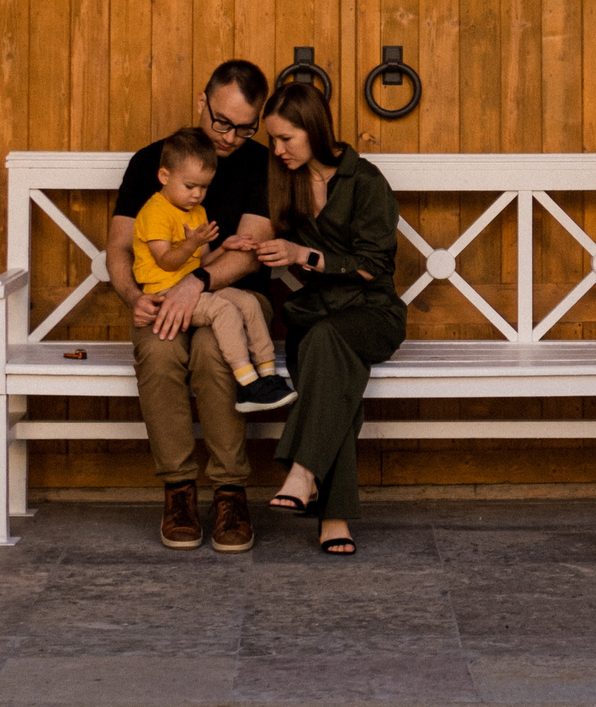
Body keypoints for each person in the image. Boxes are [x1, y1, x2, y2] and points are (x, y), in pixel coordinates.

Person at [107, 60, 278, 553]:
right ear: (201, 101)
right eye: (221, 122)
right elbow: (119, 247)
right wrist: (134, 298)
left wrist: (197, 283)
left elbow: (248, 255)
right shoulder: (153, 162)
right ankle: (179, 490)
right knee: (160, 352)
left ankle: (230, 491)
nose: (229, 138)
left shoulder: (262, 164)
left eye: (245, 128)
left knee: (212, 348)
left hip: (239, 301)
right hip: (161, 297)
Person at [254, 83, 405, 555]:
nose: (277, 150)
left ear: (315, 129)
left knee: (329, 348)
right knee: (330, 359)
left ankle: (304, 471)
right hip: (316, 315)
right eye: (273, 140)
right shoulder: (285, 177)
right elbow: (267, 231)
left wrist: (306, 254)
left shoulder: (364, 180)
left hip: (372, 314)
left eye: (286, 139)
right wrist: (252, 245)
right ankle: (330, 512)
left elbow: (374, 265)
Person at [130, 127, 294, 413]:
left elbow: (202, 264)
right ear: (164, 177)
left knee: (247, 302)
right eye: (190, 186)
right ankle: (247, 382)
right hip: (165, 292)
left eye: (204, 187)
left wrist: (225, 247)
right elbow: (167, 261)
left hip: (190, 288)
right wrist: (193, 240)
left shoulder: (196, 212)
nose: (197, 195)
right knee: (225, 310)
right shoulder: (155, 212)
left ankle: (267, 374)